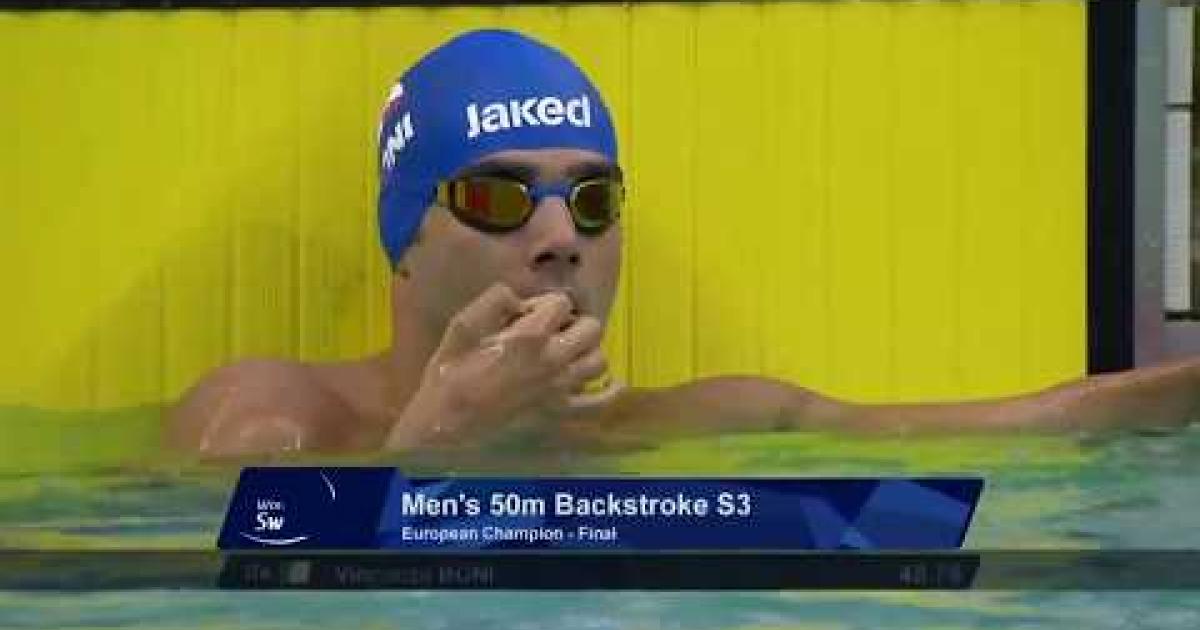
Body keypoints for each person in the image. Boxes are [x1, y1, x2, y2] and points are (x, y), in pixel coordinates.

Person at [165, 29, 1200, 459]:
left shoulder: (700, 426)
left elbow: (1025, 432)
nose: (561, 237)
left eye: (594, 200)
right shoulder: (271, 419)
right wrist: (434, 455)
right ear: (405, 239)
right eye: (498, 197)